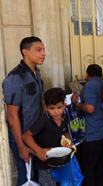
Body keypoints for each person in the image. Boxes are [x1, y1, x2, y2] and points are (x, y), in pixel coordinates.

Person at [2, 36, 45, 185]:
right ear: (25, 51)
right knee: (26, 176)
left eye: (43, 49)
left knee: (36, 175)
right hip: (22, 137)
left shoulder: (36, 73)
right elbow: (12, 114)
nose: (43, 53)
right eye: (38, 50)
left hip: (34, 134)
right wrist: (21, 146)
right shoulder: (15, 77)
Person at [23, 88, 69, 186]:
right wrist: (38, 150)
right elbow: (26, 136)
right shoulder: (44, 120)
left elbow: (65, 132)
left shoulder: (64, 117)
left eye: (59, 107)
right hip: (44, 164)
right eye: (52, 108)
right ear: (46, 107)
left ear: (64, 106)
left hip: (58, 161)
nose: (56, 112)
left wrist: (68, 142)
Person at [71, 64, 103, 186]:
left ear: (87, 74)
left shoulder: (90, 86)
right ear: (101, 74)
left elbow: (90, 108)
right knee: (101, 169)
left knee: (88, 169)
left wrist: (76, 103)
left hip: (92, 135)